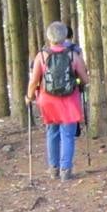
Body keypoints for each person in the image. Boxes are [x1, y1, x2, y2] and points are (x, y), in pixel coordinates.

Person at [27, 22, 88, 180]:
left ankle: (53, 168)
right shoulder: (73, 55)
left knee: (52, 133)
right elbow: (85, 79)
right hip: (69, 100)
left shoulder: (41, 56)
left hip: (48, 100)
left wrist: (29, 96)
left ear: (49, 37)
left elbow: (34, 81)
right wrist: (78, 83)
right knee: (67, 135)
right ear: (64, 35)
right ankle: (65, 170)